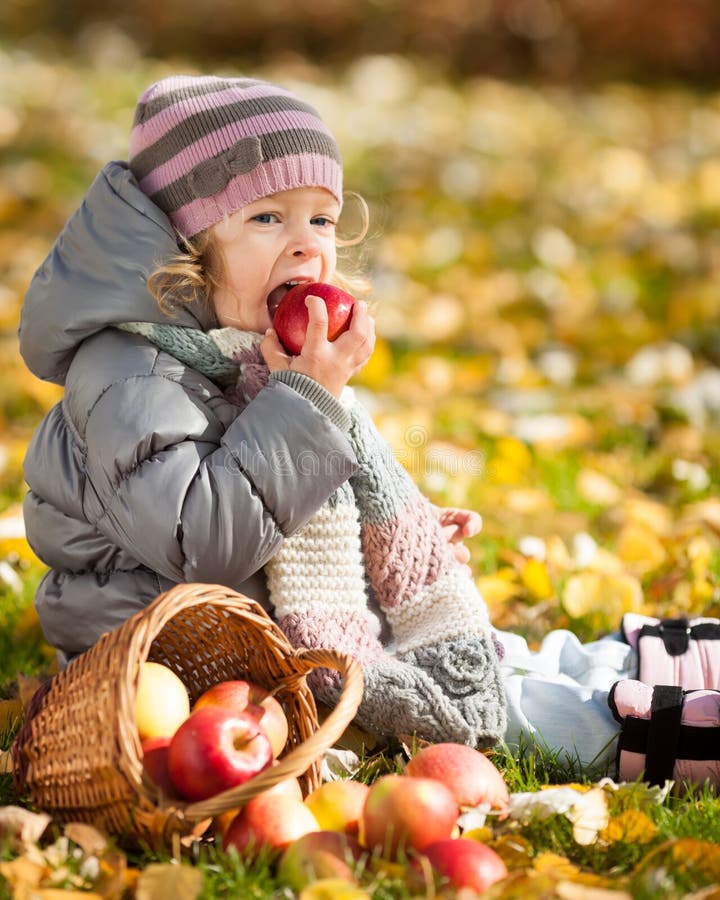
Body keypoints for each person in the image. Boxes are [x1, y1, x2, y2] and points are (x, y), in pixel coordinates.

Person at [19, 74, 507, 749]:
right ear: (188, 247)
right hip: (175, 672)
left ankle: (646, 670)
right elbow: (205, 543)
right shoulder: (129, 375)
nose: (309, 244)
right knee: (505, 712)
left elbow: (286, 494)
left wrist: (396, 530)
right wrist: (307, 402)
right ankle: (630, 724)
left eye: (322, 219)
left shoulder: (247, 352)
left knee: (486, 656)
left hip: (257, 637)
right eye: (268, 217)